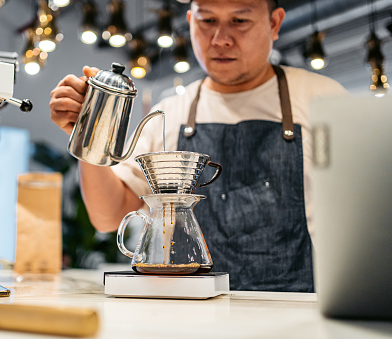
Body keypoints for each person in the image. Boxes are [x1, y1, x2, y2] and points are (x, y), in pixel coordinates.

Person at [49, 0, 347, 292]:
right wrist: (89, 132)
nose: (221, 39)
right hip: (193, 314)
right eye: (207, 21)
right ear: (190, 22)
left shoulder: (323, 100)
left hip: (297, 315)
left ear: (274, 23)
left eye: (239, 20)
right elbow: (107, 216)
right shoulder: (170, 114)